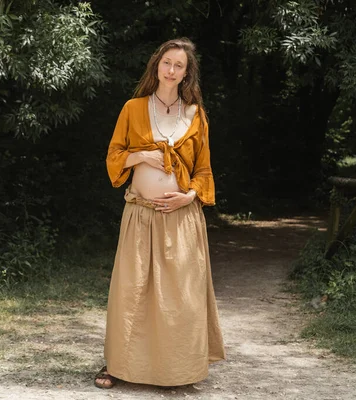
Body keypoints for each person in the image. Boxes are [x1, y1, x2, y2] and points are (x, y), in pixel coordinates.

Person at [95, 38, 225, 390]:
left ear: (186, 73)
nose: (170, 70)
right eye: (166, 62)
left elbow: (204, 171)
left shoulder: (195, 115)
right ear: (157, 66)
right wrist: (140, 157)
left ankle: (178, 371)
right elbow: (113, 157)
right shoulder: (133, 108)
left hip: (181, 219)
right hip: (140, 214)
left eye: (178, 66)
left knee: (180, 297)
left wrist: (189, 197)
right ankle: (119, 367)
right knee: (131, 292)